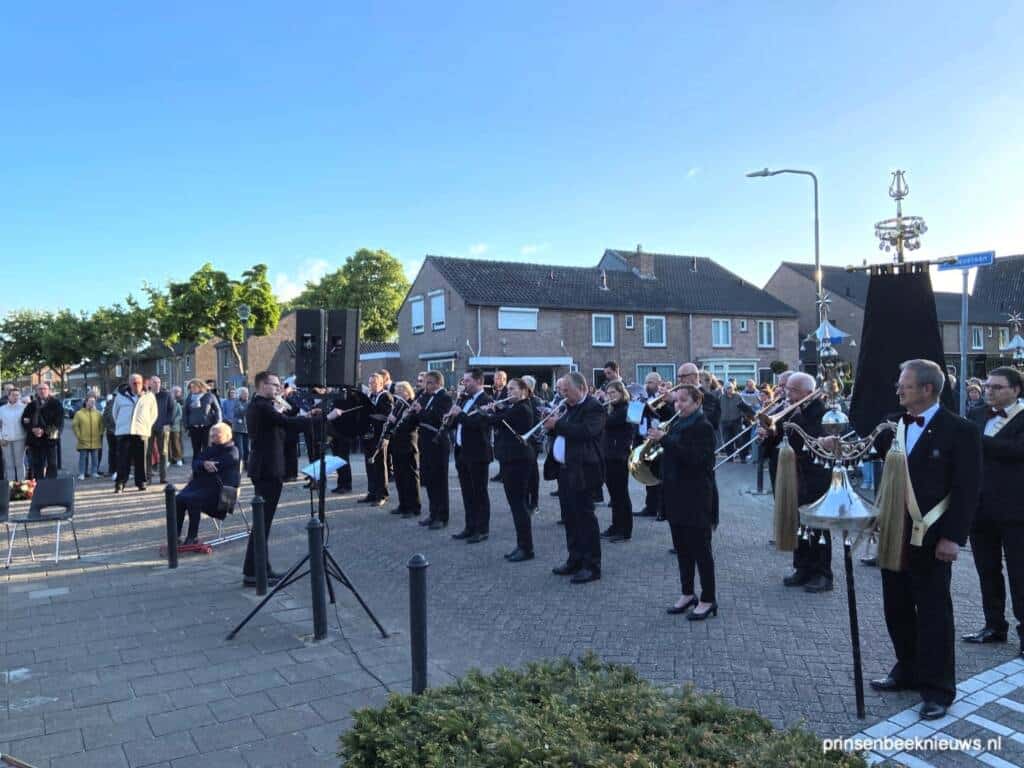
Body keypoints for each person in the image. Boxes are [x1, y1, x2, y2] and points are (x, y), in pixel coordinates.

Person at [870, 359, 982, 720]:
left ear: (927, 389)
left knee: (933, 613)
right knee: (896, 605)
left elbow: (967, 489)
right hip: (894, 532)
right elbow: (870, 455)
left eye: (904, 384)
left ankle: (938, 689)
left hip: (932, 537)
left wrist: (953, 538)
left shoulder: (960, 430)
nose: (898, 389)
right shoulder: (893, 425)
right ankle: (907, 668)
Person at [963, 367, 1024, 652]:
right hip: (980, 506)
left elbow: (1016, 451)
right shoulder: (976, 415)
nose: (989, 391)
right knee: (987, 570)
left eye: (997, 387)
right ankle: (993, 625)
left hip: (1016, 509)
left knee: (1020, 573)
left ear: (1015, 389)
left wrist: (977, 442)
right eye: (988, 386)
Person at [759, 372, 833, 593]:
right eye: (787, 388)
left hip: (815, 476)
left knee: (817, 524)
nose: (787, 394)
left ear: (808, 393)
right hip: (794, 474)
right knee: (798, 523)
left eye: (793, 390)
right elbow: (780, 440)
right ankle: (802, 567)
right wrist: (770, 434)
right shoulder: (789, 410)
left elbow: (814, 440)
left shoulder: (822, 412)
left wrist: (797, 416)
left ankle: (822, 573)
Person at [648, 385, 718, 619]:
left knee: (701, 550)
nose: (678, 405)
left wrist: (665, 440)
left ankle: (708, 598)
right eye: (676, 401)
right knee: (682, 549)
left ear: (697, 402)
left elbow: (697, 459)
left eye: (683, 401)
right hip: (675, 494)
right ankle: (687, 593)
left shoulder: (703, 426)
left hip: (696, 496)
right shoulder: (677, 423)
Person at [242, 371, 317, 587]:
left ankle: (258, 570)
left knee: (263, 524)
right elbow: (288, 423)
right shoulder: (262, 407)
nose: (277, 388)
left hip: (267, 468)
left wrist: (287, 405)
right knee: (262, 523)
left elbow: (288, 414)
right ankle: (256, 573)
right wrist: (320, 419)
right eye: (274, 385)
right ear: (262, 385)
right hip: (267, 469)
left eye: (278, 385)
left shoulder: (265, 405)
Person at [545, 371, 605, 583]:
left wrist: (557, 424)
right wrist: (551, 426)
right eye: (561, 390)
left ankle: (592, 566)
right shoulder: (568, 407)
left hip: (584, 470)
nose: (563, 395)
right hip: (565, 469)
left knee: (585, 519)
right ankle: (575, 559)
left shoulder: (593, 407)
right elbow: (563, 433)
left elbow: (586, 432)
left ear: (582, 388)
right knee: (570, 518)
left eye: (567, 390)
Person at [473, 377, 536, 561]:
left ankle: (527, 548)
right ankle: (522, 545)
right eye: (508, 389)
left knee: (519, 505)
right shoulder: (516, 407)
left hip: (518, 461)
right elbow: (503, 416)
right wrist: (496, 409)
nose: (508, 392)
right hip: (512, 460)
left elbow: (499, 420)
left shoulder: (522, 408)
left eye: (513, 389)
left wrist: (484, 412)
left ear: (524, 391)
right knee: (516, 505)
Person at [175, 422, 241, 544]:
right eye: (212, 435)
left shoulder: (233, 451)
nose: (212, 438)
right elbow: (196, 462)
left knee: (192, 500)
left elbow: (216, 466)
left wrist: (203, 465)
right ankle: (175, 535)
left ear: (227, 435)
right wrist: (204, 464)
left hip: (222, 494)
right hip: (203, 487)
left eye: (216, 435)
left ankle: (192, 537)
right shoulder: (212, 449)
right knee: (178, 499)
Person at [449, 369, 493, 543]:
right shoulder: (465, 399)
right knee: (467, 492)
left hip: (478, 454)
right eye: (464, 381)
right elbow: (459, 423)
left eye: (468, 381)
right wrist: (450, 418)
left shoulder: (486, 401)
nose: (464, 384)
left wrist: (459, 414)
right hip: (462, 452)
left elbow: (477, 424)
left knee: (479, 493)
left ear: (479, 381)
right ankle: (470, 527)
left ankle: (482, 529)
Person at [407, 371, 452, 529]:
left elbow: (439, 419)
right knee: (430, 480)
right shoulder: (424, 396)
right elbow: (421, 418)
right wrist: (412, 412)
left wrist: (420, 411)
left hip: (438, 443)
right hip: (425, 442)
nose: (425, 386)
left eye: (429, 383)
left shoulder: (445, 398)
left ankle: (442, 516)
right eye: (425, 383)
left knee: (440, 481)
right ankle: (433, 513)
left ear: (438, 383)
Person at [634, 373, 673, 519]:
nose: (647, 385)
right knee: (648, 474)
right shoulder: (643, 398)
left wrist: (656, 411)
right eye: (646, 382)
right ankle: (650, 507)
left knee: (659, 476)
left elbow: (669, 417)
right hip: (643, 440)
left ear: (659, 383)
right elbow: (633, 418)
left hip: (658, 441)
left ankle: (661, 509)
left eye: (650, 382)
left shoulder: (665, 399)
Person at [601, 380, 635, 542]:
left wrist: (598, 407)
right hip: (609, 454)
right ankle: (616, 525)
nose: (610, 396)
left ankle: (625, 529)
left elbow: (607, 422)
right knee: (614, 494)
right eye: (608, 393)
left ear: (622, 393)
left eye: (613, 393)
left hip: (619, 456)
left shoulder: (625, 409)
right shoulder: (614, 409)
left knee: (621, 494)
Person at [112, 374, 158, 492]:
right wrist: (123, 425)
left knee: (141, 459)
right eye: (133, 382)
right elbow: (115, 413)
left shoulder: (149, 396)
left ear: (142, 383)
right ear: (129, 383)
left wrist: (146, 425)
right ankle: (120, 483)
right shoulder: (120, 396)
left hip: (141, 431)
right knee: (123, 460)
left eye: (138, 382)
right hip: (124, 432)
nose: (136, 385)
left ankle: (141, 482)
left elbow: (153, 414)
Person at [386, 381, 421, 518]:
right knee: (400, 476)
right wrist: (391, 421)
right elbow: (393, 422)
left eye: (400, 391)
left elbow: (413, 423)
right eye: (397, 391)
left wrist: (398, 419)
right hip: (397, 444)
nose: (397, 394)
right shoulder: (398, 405)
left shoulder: (413, 404)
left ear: (407, 391)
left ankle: (414, 507)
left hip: (408, 444)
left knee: (410, 477)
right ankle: (403, 505)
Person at [360, 373, 393, 506]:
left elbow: (386, 416)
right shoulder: (369, 396)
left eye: (373, 383)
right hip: (368, 435)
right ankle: (372, 492)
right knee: (369, 464)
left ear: (380, 384)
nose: (371, 385)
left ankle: (382, 494)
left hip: (380, 435)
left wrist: (370, 415)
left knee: (380, 464)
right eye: (369, 383)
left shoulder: (385, 396)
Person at [21, 382, 64, 479]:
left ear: (49, 390)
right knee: (37, 464)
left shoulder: (56, 404)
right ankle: (38, 485)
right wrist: (33, 429)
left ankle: (51, 484)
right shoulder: (31, 405)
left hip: (50, 438)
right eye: (40, 389)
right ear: (37, 391)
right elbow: (24, 420)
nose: (42, 391)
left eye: (44, 388)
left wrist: (43, 431)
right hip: (35, 440)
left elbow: (59, 423)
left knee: (52, 463)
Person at [184, 379, 222, 460]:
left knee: (207, 449)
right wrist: (186, 425)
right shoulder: (189, 398)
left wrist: (217, 424)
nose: (192, 389)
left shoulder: (209, 396)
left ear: (200, 387)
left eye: (194, 387)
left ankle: (207, 471)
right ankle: (196, 471)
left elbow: (218, 410)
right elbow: (185, 412)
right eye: (191, 387)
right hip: (194, 428)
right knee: (196, 450)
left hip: (207, 427)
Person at [148, 376, 175, 485]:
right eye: (154, 382)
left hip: (163, 427)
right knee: (147, 452)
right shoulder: (146, 396)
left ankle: (163, 477)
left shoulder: (166, 395)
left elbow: (171, 410)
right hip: (148, 427)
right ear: (150, 383)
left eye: (158, 382)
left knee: (163, 452)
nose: (157, 384)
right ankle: (148, 476)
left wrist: (168, 424)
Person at [521, 375, 543, 512]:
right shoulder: (520, 401)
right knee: (523, 473)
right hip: (521, 442)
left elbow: (538, 422)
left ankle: (534, 503)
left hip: (532, 442)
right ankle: (524, 500)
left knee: (533, 473)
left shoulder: (536, 401)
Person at [719, 382, 754, 463]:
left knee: (739, 440)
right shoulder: (721, 397)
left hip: (736, 421)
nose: (729, 390)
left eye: (731, 388)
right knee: (727, 440)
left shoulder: (738, 396)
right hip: (725, 422)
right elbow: (718, 408)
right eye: (728, 388)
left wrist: (744, 415)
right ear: (725, 389)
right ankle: (730, 457)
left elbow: (744, 407)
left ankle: (742, 457)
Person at [72, 395, 104, 479]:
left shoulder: (98, 414)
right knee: (83, 458)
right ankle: (82, 473)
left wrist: (100, 433)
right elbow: (75, 426)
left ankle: (94, 472)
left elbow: (102, 425)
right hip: (83, 440)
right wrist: (79, 436)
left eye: (94, 401)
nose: (92, 403)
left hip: (95, 440)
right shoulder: (79, 413)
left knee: (95, 458)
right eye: (90, 401)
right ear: (86, 402)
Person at [1, 387, 26, 481]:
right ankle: (10, 486)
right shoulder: (2, 409)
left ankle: (21, 486)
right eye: (13, 395)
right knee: (9, 464)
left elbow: (27, 424)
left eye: (17, 395)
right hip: (5, 440)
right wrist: (0, 438)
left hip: (20, 438)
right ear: (8, 396)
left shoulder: (24, 408)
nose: (15, 397)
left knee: (19, 463)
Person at [489, 370, 509, 482]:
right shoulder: (496, 392)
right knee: (498, 449)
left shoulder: (507, 391)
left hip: (504, 424)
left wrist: (497, 406)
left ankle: (505, 474)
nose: (496, 380)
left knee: (503, 450)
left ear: (504, 379)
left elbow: (507, 405)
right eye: (495, 378)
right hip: (497, 424)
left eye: (498, 378)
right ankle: (501, 473)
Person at [233, 387, 250, 467]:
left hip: (247, 428)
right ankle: (239, 465)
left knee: (247, 449)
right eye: (244, 394)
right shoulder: (237, 402)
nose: (247, 395)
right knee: (240, 450)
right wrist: (246, 407)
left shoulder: (249, 402)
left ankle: (247, 465)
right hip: (238, 429)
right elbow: (238, 412)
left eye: (247, 393)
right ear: (240, 395)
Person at [169, 386, 184, 466]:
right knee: (168, 444)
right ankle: (170, 459)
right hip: (167, 427)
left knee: (176, 443)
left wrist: (174, 421)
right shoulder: (167, 404)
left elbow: (180, 415)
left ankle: (179, 458)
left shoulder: (178, 404)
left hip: (176, 426)